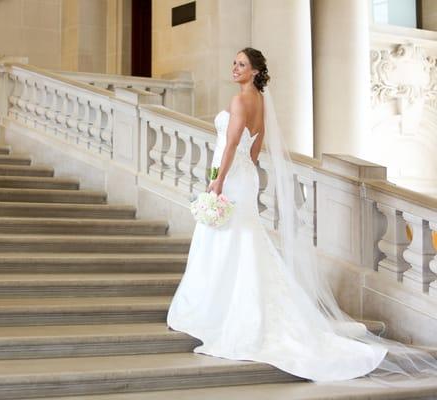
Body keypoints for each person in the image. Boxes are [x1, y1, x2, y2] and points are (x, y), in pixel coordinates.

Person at [166, 47, 437, 383]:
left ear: (254, 71)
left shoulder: (239, 102)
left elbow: (233, 143)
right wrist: (236, 172)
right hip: (244, 176)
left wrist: (217, 182)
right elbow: (255, 147)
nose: (234, 68)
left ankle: (215, 310)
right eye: (234, 63)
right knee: (242, 239)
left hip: (230, 178)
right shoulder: (260, 103)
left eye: (241, 64)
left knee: (226, 238)